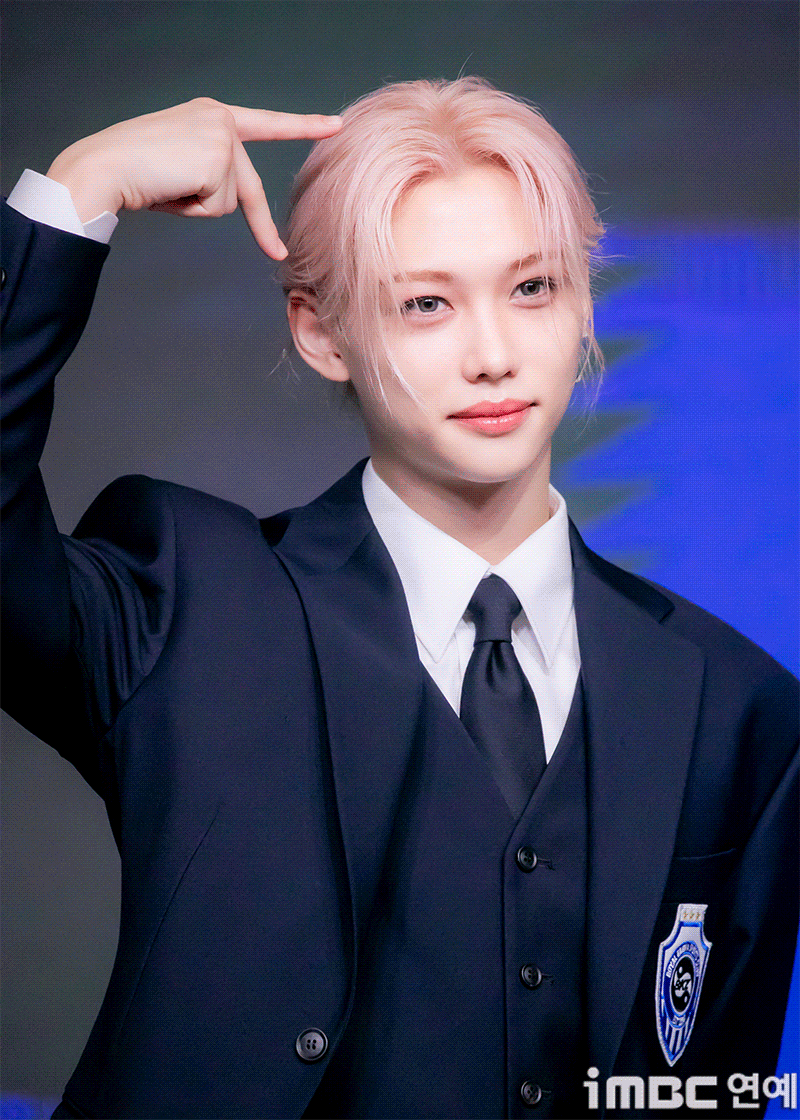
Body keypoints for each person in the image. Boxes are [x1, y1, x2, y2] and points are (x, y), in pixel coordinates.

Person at [1, 79, 797, 1120]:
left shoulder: (737, 707)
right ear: (320, 332)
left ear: (583, 305)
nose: (492, 355)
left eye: (532, 287)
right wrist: (79, 189)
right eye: (426, 303)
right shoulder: (187, 606)